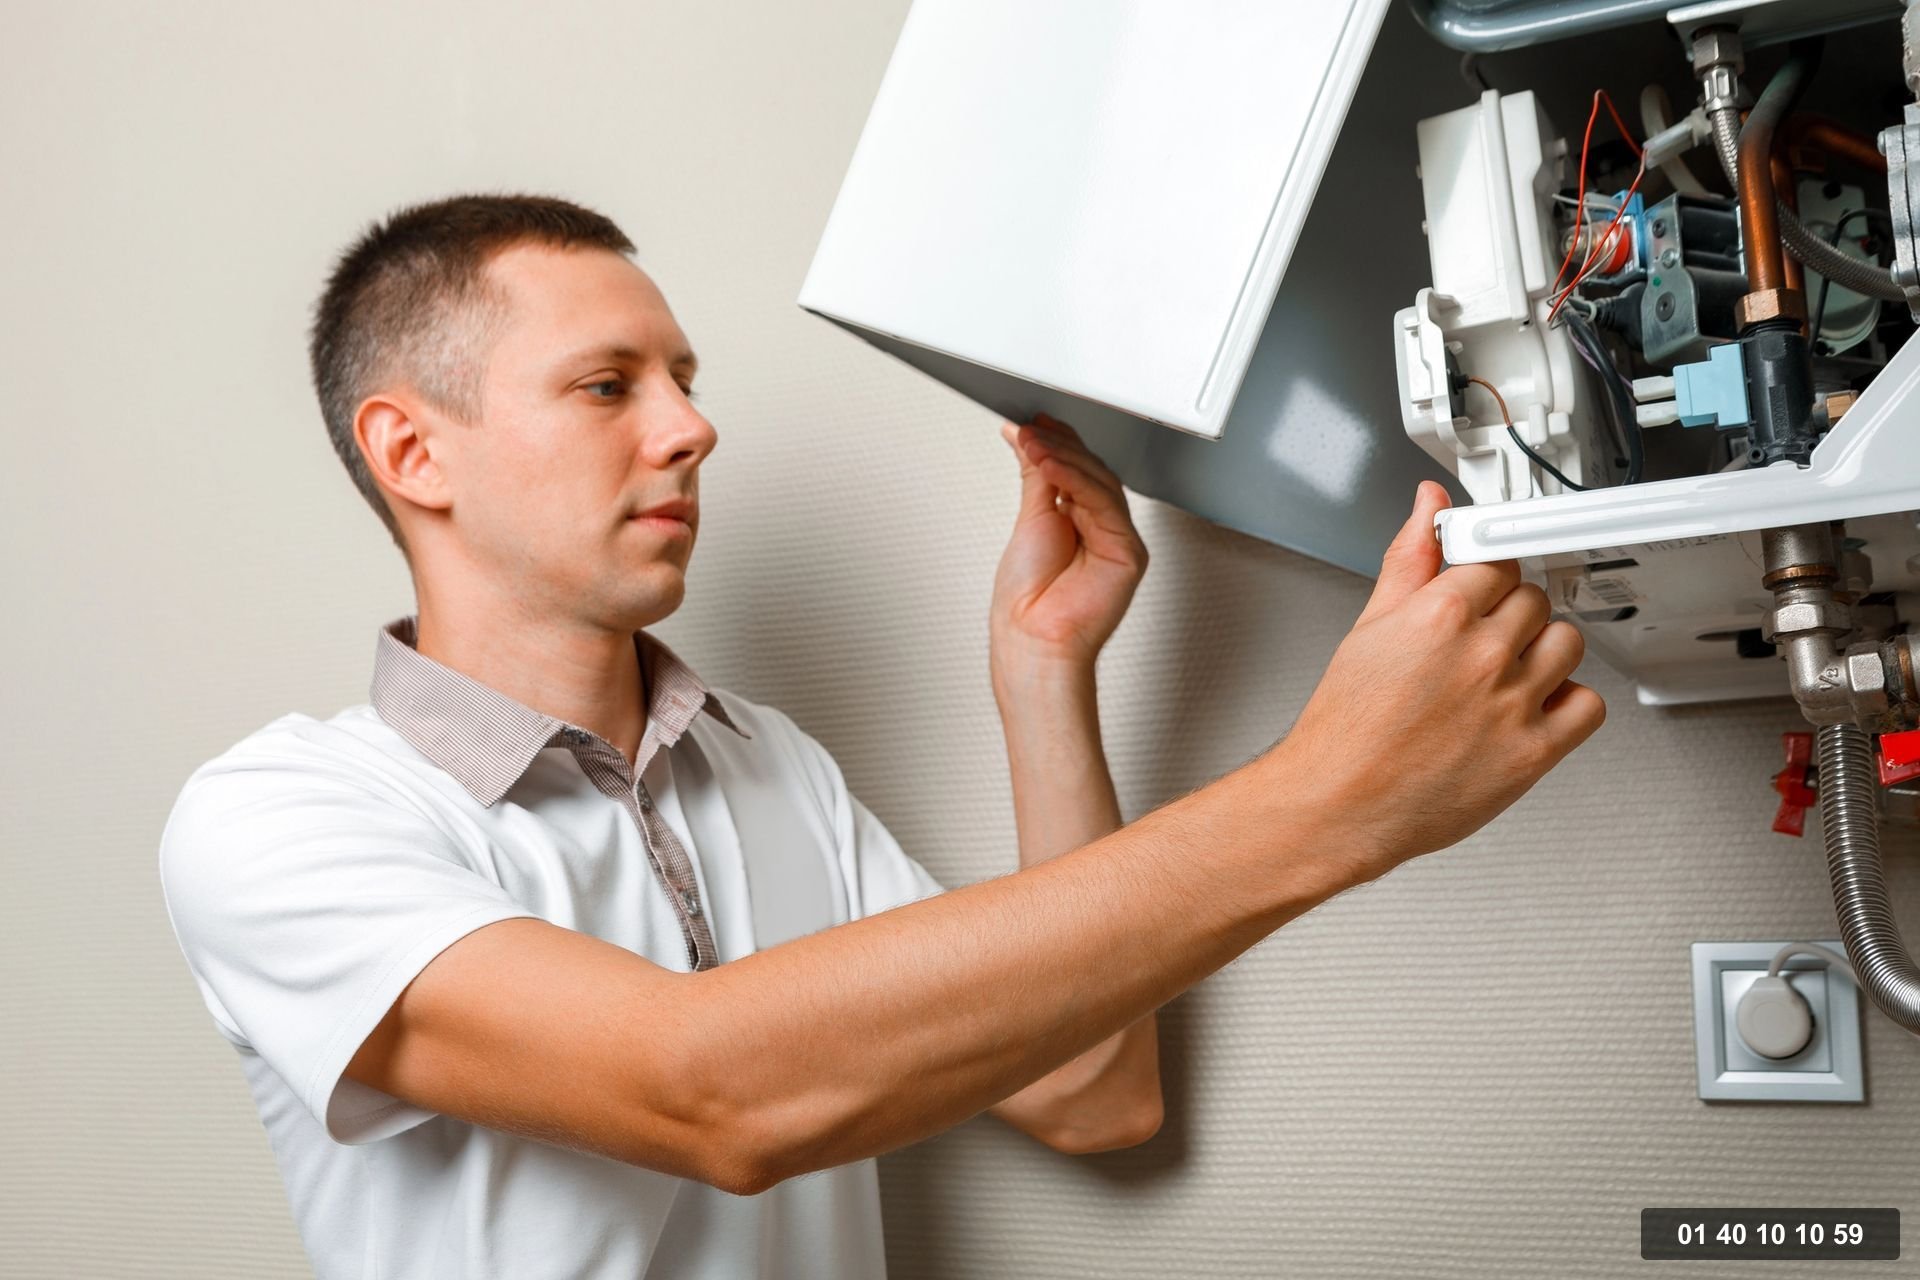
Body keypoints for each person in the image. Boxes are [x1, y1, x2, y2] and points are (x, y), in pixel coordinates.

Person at [157, 194, 1604, 1280]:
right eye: (609, 386)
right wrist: (1323, 800)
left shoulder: (766, 763)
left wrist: (1043, 678)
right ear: (412, 452)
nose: (691, 429)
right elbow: (706, 1092)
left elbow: (1092, 1091)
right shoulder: (283, 818)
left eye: (685, 379)